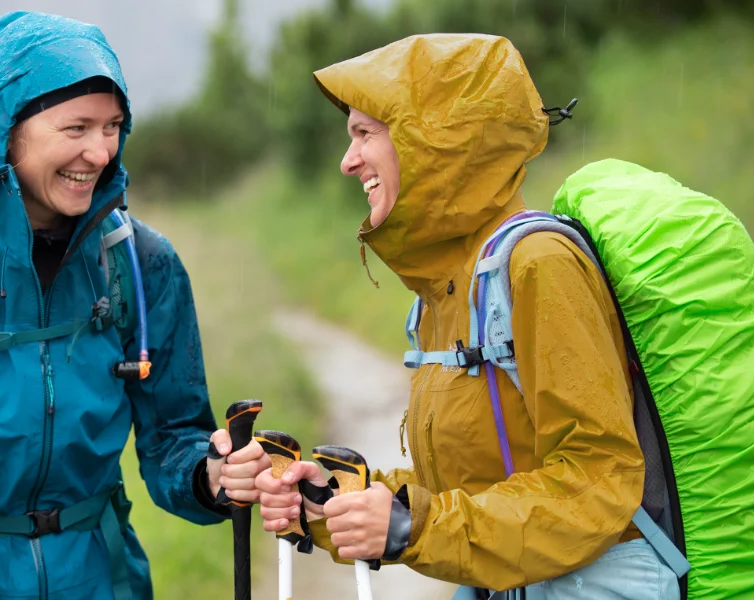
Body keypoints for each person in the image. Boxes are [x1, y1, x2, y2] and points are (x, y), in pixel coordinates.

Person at [0, 11, 267, 600]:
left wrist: (212, 473)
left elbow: (174, 438)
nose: (100, 152)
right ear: (7, 128)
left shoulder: (141, 264)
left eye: (112, 126)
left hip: (100, 579)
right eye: (76, 127)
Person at [254, 34, 683, 599]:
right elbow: (470, 482)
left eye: (365, 134)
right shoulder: (447, 292)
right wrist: (334, 502)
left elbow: (598, 481)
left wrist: (415, 529)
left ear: (435, 141)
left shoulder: (539, 266)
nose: (347, 160)